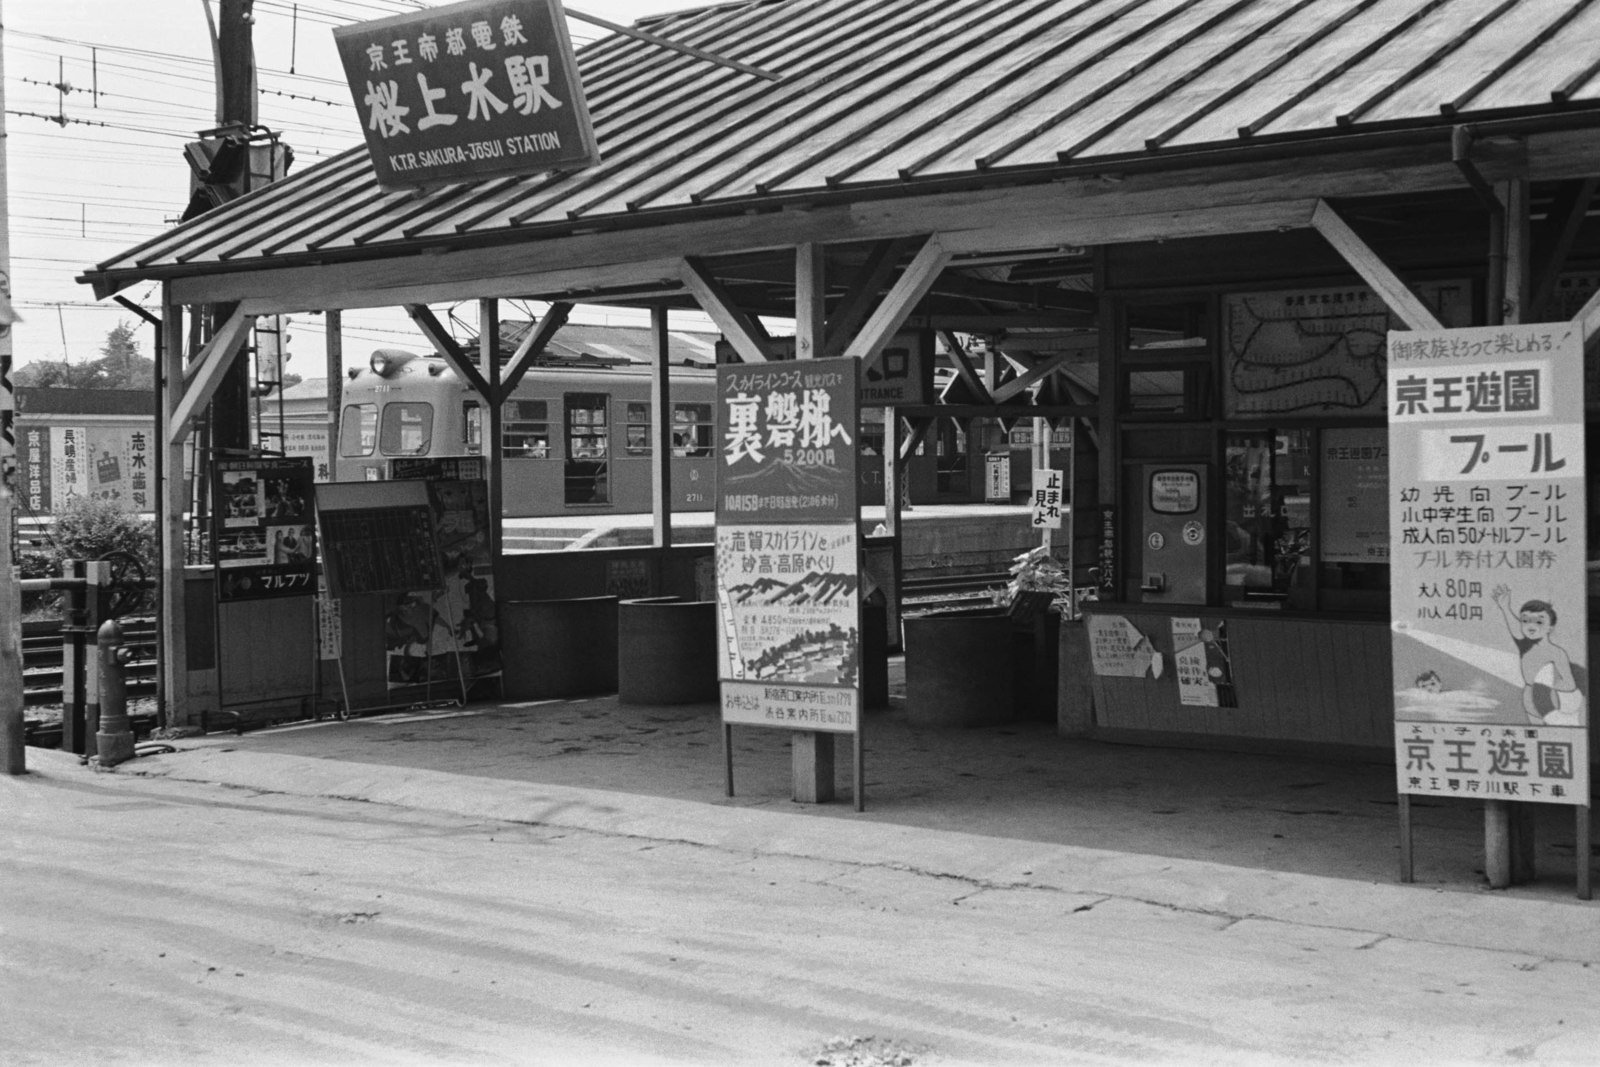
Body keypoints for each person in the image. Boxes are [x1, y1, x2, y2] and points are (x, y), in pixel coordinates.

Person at [1491, 585, 1581, 725]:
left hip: (1549, 698)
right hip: (1528, 697)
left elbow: (1569, 683)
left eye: (1539, 621)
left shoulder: (1557, 653)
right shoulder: (1525, 645)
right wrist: (1505, 607)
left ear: (1550, 627)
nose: (1531, 625)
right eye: (1525, 620)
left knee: (1551, 734)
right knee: (1534, 733)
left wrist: (1544, 687)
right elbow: (1514, 626)